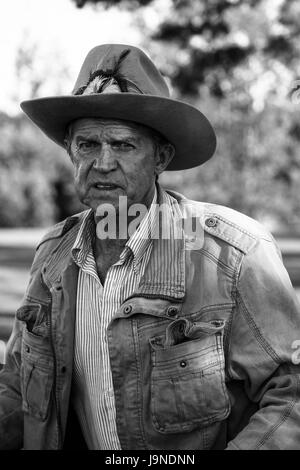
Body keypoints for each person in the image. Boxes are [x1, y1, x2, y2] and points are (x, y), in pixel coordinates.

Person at [0, 44, 300, 451]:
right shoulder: (53, 255)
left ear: (161, 157)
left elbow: (289, 392)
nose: (103, 162)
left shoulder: (234, 253)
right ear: (70, 151)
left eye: (123, 145)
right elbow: (17, 392)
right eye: (87, 144)